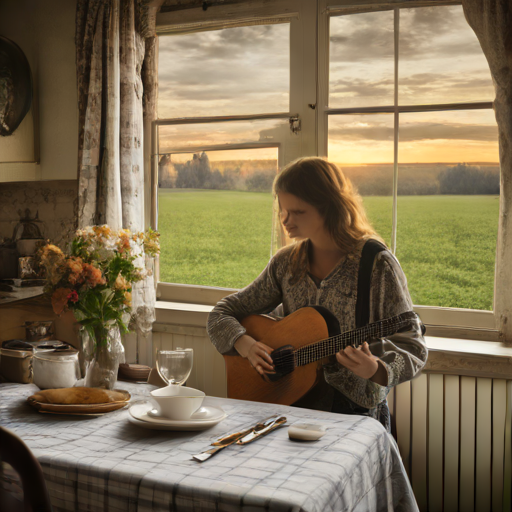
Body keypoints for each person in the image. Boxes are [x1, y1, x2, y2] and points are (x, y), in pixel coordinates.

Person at [207, 157, 427, 431]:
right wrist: (247, 345)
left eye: (298, 211)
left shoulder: (377, 264)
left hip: (355, 419)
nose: (286, 220)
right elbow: (220, 314)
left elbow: (414, 346)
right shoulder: (285, 263)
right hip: (290, 412)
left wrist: (376, 369)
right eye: (282, 210)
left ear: (329, 207)